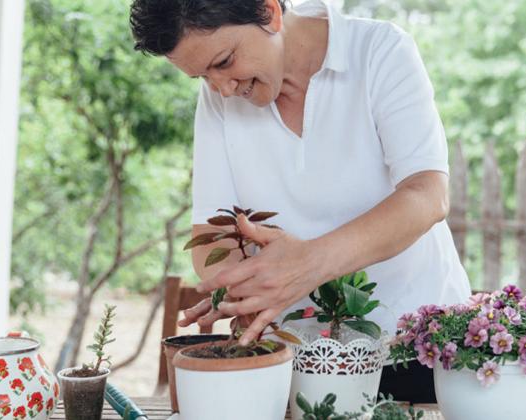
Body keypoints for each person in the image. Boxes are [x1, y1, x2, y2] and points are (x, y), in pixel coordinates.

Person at [129, 0, 470, 402]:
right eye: (202, 75)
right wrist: (245, 297)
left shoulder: (379, 50)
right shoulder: (220, 98)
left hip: (416, 348)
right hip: (297, 360)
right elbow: (213, 230)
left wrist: (309, 264)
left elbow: (427, 194)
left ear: (270, 12)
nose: (222, 87)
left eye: (223, 61)